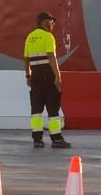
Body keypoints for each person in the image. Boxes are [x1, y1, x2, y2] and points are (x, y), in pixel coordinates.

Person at [23, 12, 71, 148]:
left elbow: (26, 59)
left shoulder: (30, 37)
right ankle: (56, 139)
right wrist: (58, 76)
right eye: (51, 22)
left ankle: (37, 140)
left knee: (36, 110)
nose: (52, 25)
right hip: (48, 75)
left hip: (36, 76)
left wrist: (28, 75)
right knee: (53, 108)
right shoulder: (48, 36)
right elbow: (51, 56)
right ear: (45, 22)